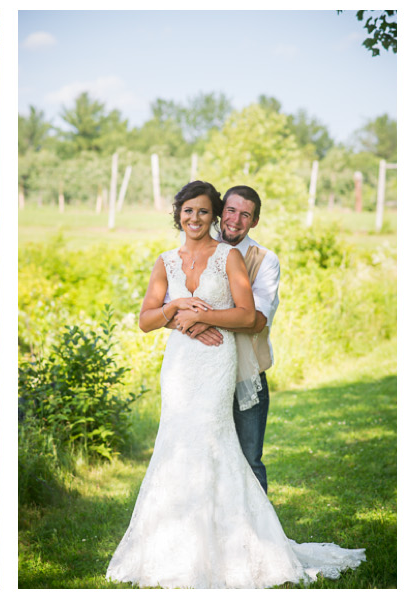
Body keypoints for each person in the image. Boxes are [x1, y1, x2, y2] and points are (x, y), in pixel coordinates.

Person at [106, 181, 364, 588]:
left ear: (217, 216)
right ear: (179, 214)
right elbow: (146, 319)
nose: (197, 218)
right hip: (179, 365)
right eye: (189, 211)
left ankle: (241, 547)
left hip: (218, 362)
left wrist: (203, 318)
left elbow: (251, 316)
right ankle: (177, 545)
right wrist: (176, 309)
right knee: (176, 445)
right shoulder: (165, 261)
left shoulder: (234, 257)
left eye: (204, 212)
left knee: (222, 447)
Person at [168, 185, 279, 492]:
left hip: (245, 371)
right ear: (220, 213)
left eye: (246, 215)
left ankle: (259, 537)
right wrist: (188, 322)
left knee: (248, 457)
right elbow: (172, 309)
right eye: (230, 211)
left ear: (254, 221)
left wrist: (203, 318)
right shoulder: (195, 248)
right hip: (200, 370)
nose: (236, 220)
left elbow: (255, 320)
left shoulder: (264, 260)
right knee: (202, 453)